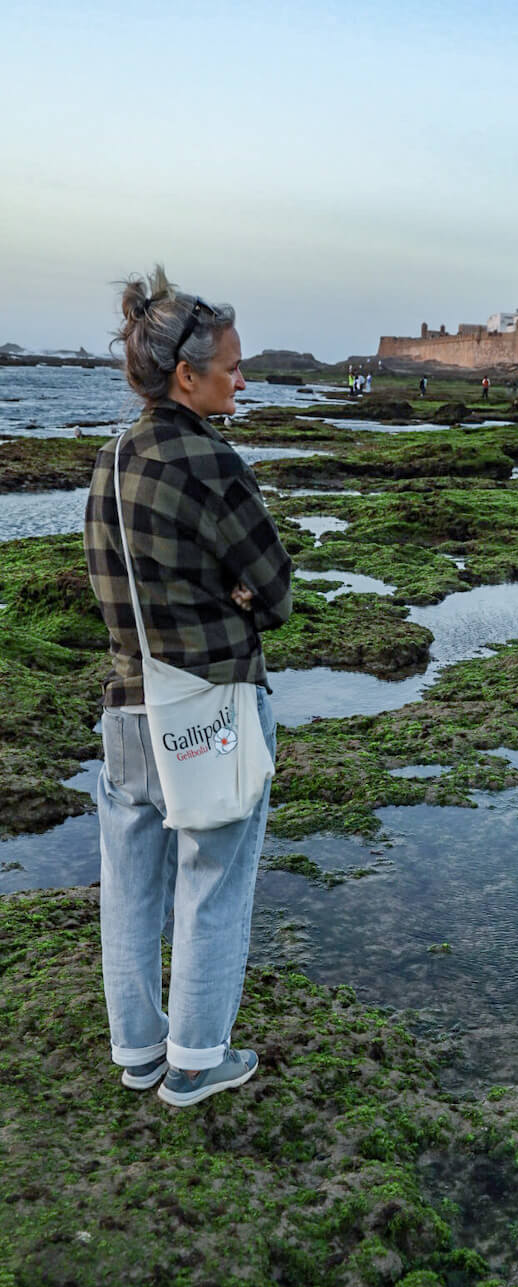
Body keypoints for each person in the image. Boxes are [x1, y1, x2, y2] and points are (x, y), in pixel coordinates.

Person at [84, 266, 293, 1106]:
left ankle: (137, 1053)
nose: (243, 379)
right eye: (234, 367)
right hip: (210, 706)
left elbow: (111, 581)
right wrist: (236, 596)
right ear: (187, 375)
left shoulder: (112, 458)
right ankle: (197, 1061)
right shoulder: (211, 460)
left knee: (129, 884)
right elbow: (275, 594)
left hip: (129, 706)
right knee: (213, 879)